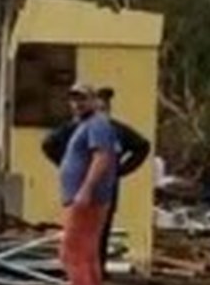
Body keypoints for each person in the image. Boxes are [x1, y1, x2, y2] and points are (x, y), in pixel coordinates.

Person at [42, 86, 150, 275]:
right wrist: (68, 165)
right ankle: (85, 279)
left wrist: (121, 170)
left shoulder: (114, 129)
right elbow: (48, 144)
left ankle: (93, 278)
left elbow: (141, 146)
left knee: (98, 234)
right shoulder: (75, 128)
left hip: (103, 190)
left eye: (104, 108)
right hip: (79, 191)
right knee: (78, 239)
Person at [52, 83, 118, 285]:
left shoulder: (97, 124)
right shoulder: (88, 125)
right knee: (87, 251)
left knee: (71, 251)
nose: (77, 103)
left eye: (82, 99)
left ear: (93, 100)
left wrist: (85, 190)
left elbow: (101, 158)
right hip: (88, 198)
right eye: (73, 99)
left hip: (87, 199)